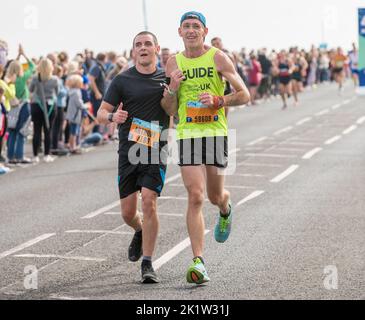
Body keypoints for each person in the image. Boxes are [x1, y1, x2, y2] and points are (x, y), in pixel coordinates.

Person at [161, 11, 250, 285]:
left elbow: (245, 94)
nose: (190, 31)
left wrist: (218, 100)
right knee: (196, 196)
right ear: (179, 32)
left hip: (214, 132)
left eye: (195, 26)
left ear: (204, 31)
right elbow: (170, 109)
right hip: (187, 134)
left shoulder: (218, 57)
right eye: (186, 26)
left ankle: (225, 208)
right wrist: (172, 89)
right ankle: (198, 261)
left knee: (214, 195)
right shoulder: (172, 62)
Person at [97, 31, 170, 284]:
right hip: (129, 151)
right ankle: (139, 230)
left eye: (148, 44)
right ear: (133, 51)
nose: (143, 48)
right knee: (128, 213)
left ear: (157, 49)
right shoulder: (122, 80)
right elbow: (101, 112)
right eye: (138, 45)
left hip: (156, 149)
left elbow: (175, 109)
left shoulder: (167, 78)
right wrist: (111, 118)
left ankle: (148, 263)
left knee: (149, 201)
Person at [7, 45, 36, 164]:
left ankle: (10, 157)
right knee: (21, 132)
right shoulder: (23, 78)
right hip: (23, 105)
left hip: (13, 107)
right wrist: (23, 54)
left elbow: (14, 66)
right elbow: (32, 66)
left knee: (12, 131)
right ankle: (19, 156)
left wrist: (17, 56)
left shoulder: (9, 79)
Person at [29, 58, 59, 163]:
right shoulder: (55, 79)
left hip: (37, 105)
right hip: (50, 106)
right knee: (48, 130)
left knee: (36, 131)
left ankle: (35, 155)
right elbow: (57, 92)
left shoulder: (35, 78)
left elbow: (30, 90)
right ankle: (46, 154)